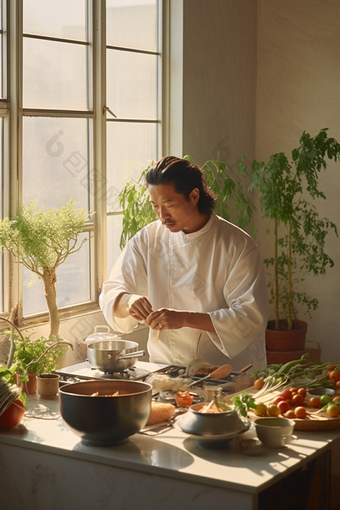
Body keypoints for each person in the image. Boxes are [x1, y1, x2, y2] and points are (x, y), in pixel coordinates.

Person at [100, 156, 269, 371]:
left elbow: (249, 318)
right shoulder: (147, 240)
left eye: (169, 205)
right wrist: (129, 301)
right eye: (155, 206)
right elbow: (112, 291)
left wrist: (185, 318)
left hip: (225, 373)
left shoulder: (237, 245)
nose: (162, 216)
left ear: (194, 196)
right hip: (165, 370)